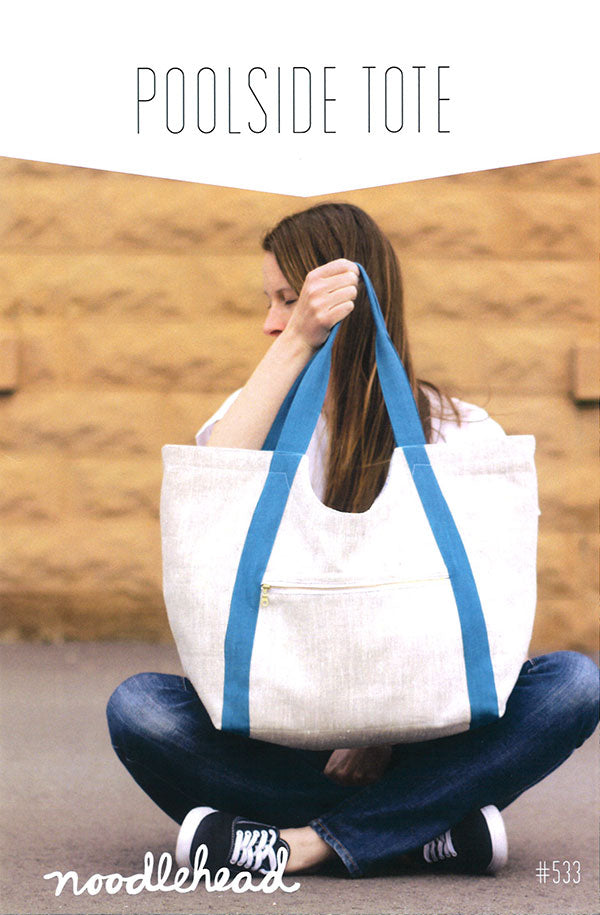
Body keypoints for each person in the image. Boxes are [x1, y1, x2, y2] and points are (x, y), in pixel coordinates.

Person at [106, 203, 599, 880]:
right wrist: (297, 340)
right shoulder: (260, 416)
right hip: (284, 725)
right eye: (272, 303)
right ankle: (423, 830)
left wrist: (383, 734)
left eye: (287, 299)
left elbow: (484, 606)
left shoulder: (458, 433)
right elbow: (210, 481)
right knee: (140, 709)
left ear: (346, 302)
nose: (269, 321)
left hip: (422, 731)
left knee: (573, 684)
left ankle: (301, 843)